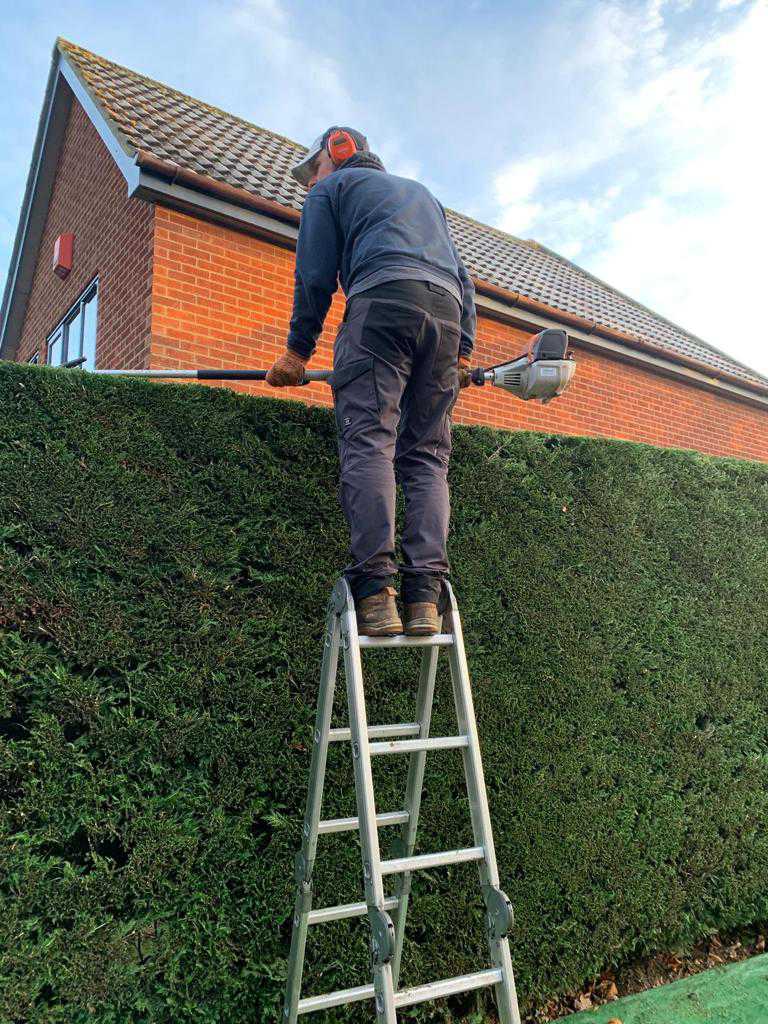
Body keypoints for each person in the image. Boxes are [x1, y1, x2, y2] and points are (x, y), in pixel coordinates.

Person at [267, 127, 475, 637]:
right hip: (445, 316)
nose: (307, 181)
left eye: (310, 170)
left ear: (335, 154)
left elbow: (314, 274)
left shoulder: (329, 190)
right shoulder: (423, 196)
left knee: (370, 441)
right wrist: (462, 351)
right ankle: (424, 598)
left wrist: (297, 352)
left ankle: (376, 594)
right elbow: (464, 280)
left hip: (381, 302)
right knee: (427, 456)